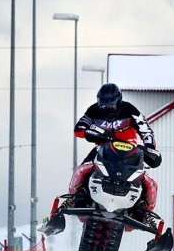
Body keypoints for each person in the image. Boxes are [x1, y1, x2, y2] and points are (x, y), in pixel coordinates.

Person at [65, 83, 161, 224]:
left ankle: (147, 212)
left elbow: (145, 129)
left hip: (130, 150)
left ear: (119, 101)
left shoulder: (129, 110)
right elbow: (79, 128)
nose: (107, 109)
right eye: (104, 105)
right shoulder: (93, 110)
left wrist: (150, 147)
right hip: (104, 147)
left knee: (147, 180)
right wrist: (91, 133)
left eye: (111, 105)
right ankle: (72, 198)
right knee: (82, 168)